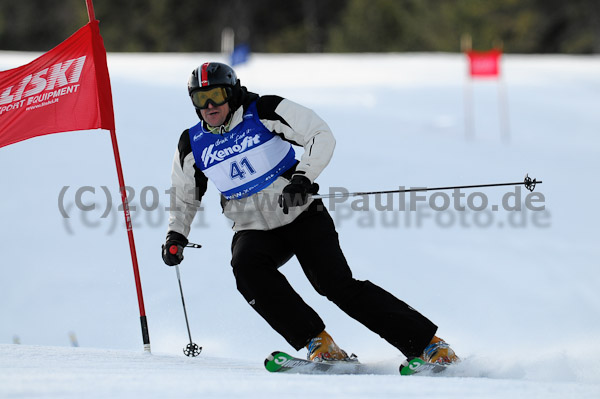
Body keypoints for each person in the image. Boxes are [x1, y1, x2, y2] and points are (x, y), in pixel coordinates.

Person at [162, 61, 458, 364]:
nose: (210, 105)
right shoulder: (192, 143)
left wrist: (303, 178)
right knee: (246, 267)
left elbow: (319, 133)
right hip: (253, 226)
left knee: (336, 286)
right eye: (201, 99)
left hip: (301, 213)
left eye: (217, 95)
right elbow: (184, 193)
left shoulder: (263, 110)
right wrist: (177, 233)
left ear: (233, 92)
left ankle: (429, 346)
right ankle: (319, 343)